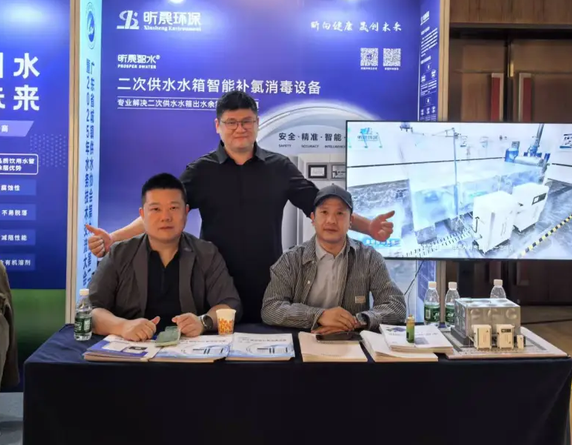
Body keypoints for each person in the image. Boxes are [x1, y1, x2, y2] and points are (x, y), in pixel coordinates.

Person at [86, 91, 395, 321]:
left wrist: (369, 227)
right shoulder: (201, 170)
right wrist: (114, 237)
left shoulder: (279, 167)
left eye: (247, 121)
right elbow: (163, 212)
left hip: (268, 281)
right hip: (211, 282)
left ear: (257, 124)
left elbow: (323, 206)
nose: (240, 128)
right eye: (231, 122)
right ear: (217, 126)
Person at [88, 173, 241, 341]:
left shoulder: (206, 253)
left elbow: (230, 304)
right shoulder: (119, 254)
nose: (165, 217)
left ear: (186, 212)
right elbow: (91, 309)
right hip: (131, 349)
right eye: (156, 209)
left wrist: (203, 322)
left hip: (188, 351)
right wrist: (123, 326)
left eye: (173, 208)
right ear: (142, 214)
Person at [261, 185, 405, 332]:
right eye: (324, 212)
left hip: (350, 340)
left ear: (350, 221)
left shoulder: (369, 258)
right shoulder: (291, 260)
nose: (331, 220)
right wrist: (319, 316)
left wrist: (355, 321)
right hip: (304, 339)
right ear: (313, 218)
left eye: (340, 213)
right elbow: (271, 308)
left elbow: (396, 306)